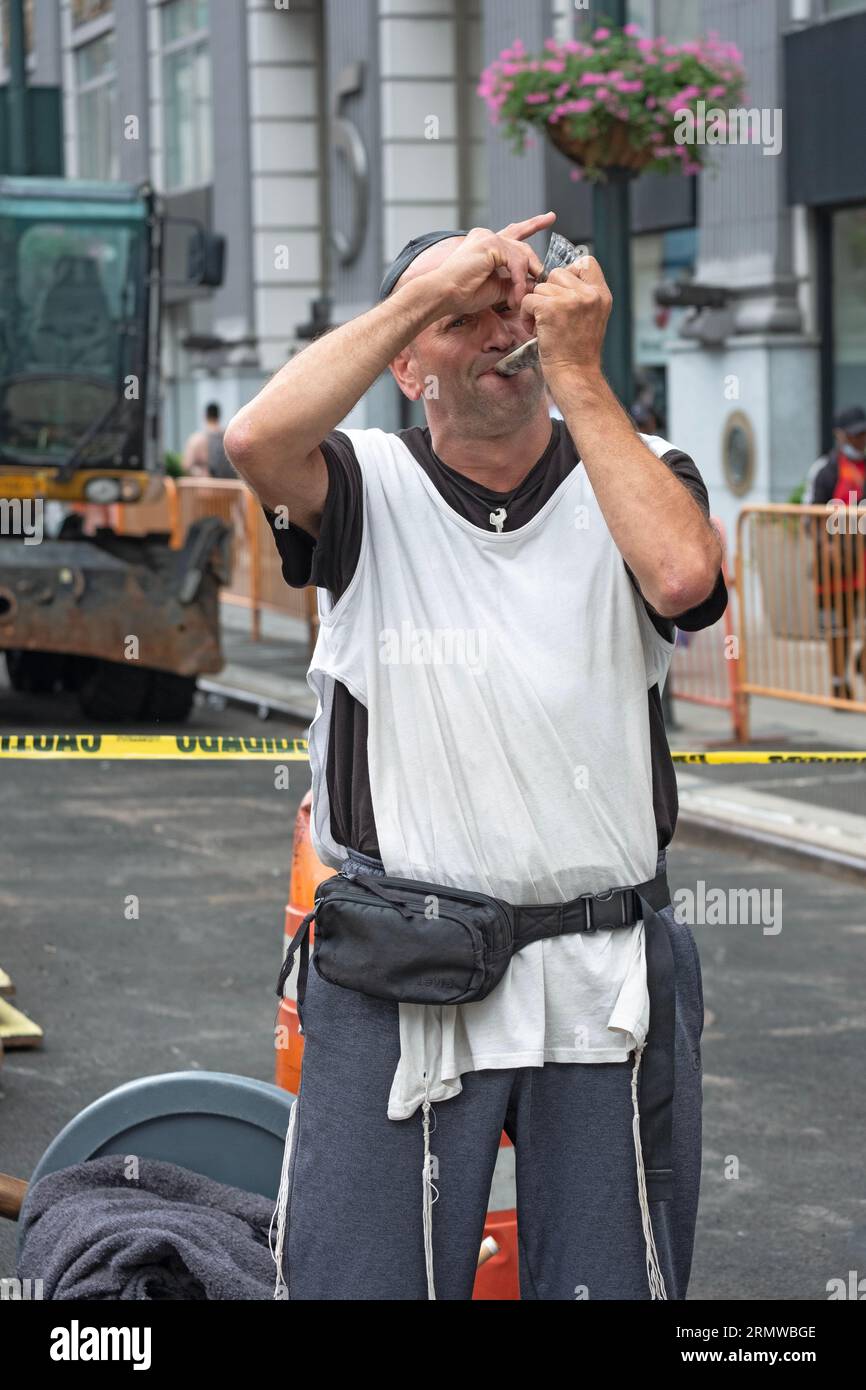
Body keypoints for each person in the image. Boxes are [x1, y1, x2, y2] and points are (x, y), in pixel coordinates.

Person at [225, 214, 727, 1301]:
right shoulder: (361, 481)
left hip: (604, 974)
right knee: (357, 1282)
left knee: (611, 1284)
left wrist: (579, 374)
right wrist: (414, 295)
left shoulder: (637, 472)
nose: (502, 331)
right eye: (466, 318)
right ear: (408, 366)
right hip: (400, 961)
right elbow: (255, 443)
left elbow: (684, 579)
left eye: (516, 307)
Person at [803, 405, 866, 702]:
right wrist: (825, 545)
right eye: (856, 435)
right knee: (839, 626)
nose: (861, 439)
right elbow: (810, 517)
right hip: (836, 563)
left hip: (863, 556)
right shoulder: (826, 470)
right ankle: (839, 683)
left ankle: (861, 660)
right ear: (841, 435)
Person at [182, 401, 237, 479]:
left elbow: (186, 465)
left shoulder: (197, 439)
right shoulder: (229, 438)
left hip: (206, 488)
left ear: (205, 416)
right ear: (219, 416)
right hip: (229, 487)